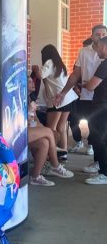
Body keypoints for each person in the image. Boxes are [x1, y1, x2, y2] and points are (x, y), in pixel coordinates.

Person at [55, 24, 107, 169]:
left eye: (103, 34)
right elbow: (75, 75)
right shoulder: (84, 52)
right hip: (87, 97)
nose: (101, 36)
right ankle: (98, 162)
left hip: (102, 98)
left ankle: (102, 166)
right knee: (94, 131)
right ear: (92, 36)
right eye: (98, 34)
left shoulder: (105, 53)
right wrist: (63, 92)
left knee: (101, 133)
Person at [27, 75, 74, 186]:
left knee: (45, 142)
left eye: (32, 81)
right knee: (48, 132)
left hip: (30, 131)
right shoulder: (20, 98)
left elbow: (36, 121)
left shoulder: (30, 99)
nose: (33, 83)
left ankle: (35, 176)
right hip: (19, 133)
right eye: (29, 82)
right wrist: (30, 112)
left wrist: (39, 127)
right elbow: (22, 121)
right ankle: (55, 165)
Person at [37, 44, 76, 159]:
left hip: (58, 99)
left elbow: (40, 75)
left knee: (51, 128)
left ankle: (51, 154)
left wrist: (35, 69)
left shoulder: (49, 62)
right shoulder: (60, 64)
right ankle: (63, 153)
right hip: (68, 98)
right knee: (61, 127)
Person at [80, 35, 107, 185]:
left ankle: (104, 173)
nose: (96, 52)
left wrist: (85, 84)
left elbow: (91, 86)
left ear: (104, 47)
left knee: (99, 139)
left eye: (98, 48)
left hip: (101, 106)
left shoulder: (104, 65)